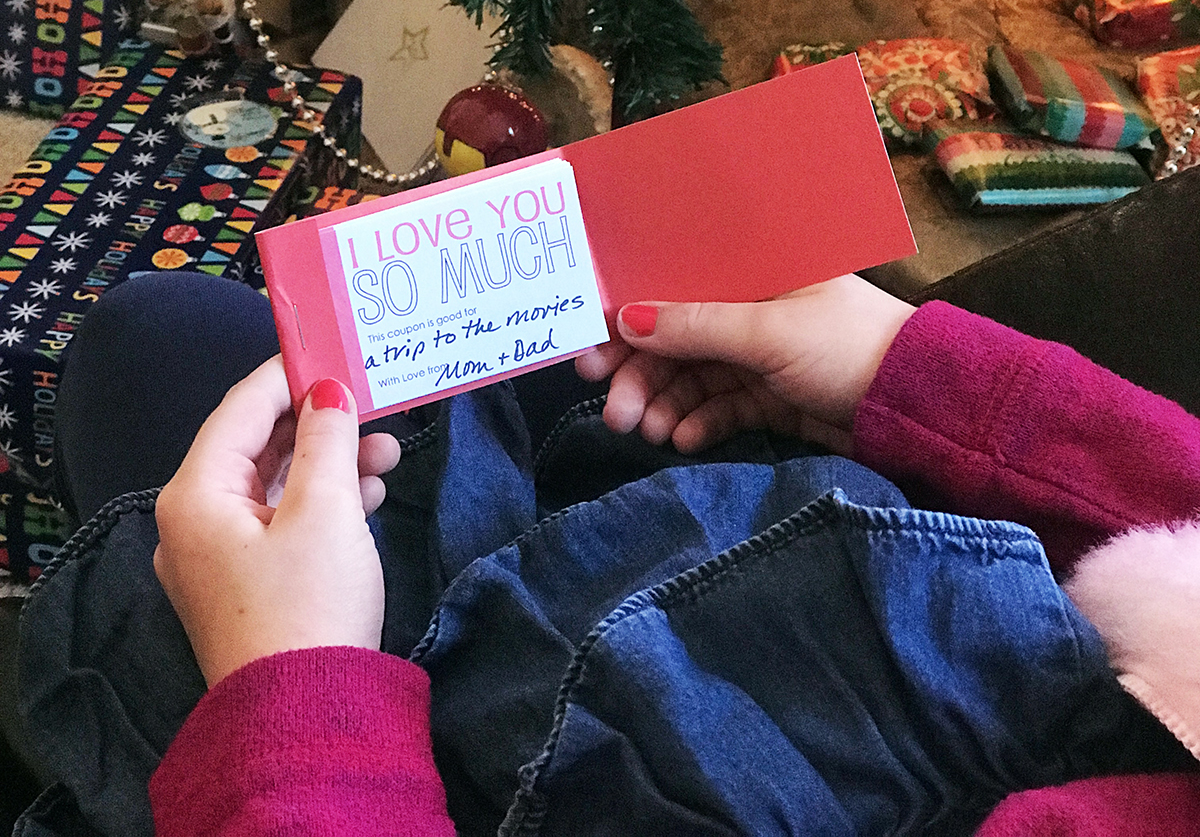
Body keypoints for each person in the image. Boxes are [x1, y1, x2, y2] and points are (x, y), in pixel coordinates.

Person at [21, 272, 1200, 835]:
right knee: (172, 341)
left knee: (153, 361)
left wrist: (293, 710)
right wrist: (916, 373)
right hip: (922, 618)